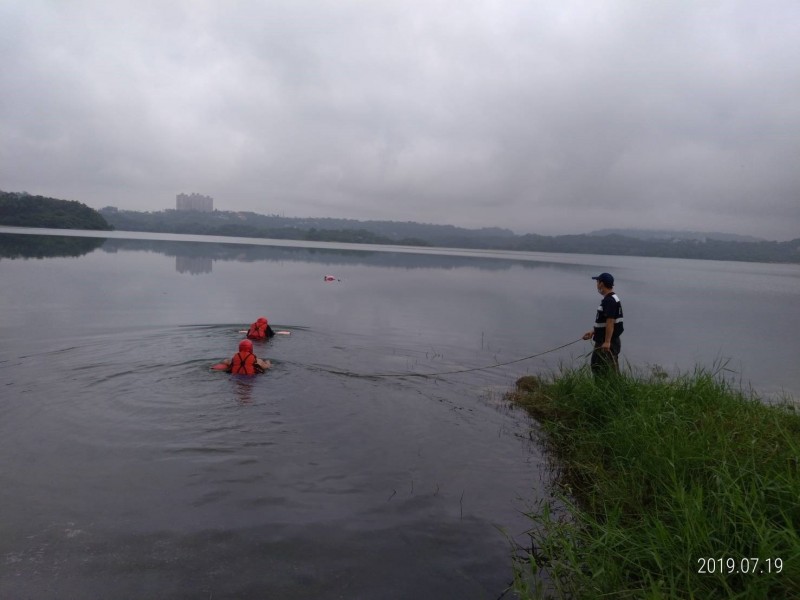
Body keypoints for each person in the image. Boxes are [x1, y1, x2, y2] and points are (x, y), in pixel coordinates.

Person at [582, 272, 624, 376]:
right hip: (606, 339)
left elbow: (610, 321)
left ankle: (610, 390)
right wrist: (593, 331)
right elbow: (605, 321)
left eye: (597, 281)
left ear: (601, 284)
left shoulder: (609, 301)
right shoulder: (612, 298)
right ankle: (603, 390)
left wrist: (607, 341)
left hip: (606, 342)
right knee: (598, 366)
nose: (596, 284)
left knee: (605, 370)